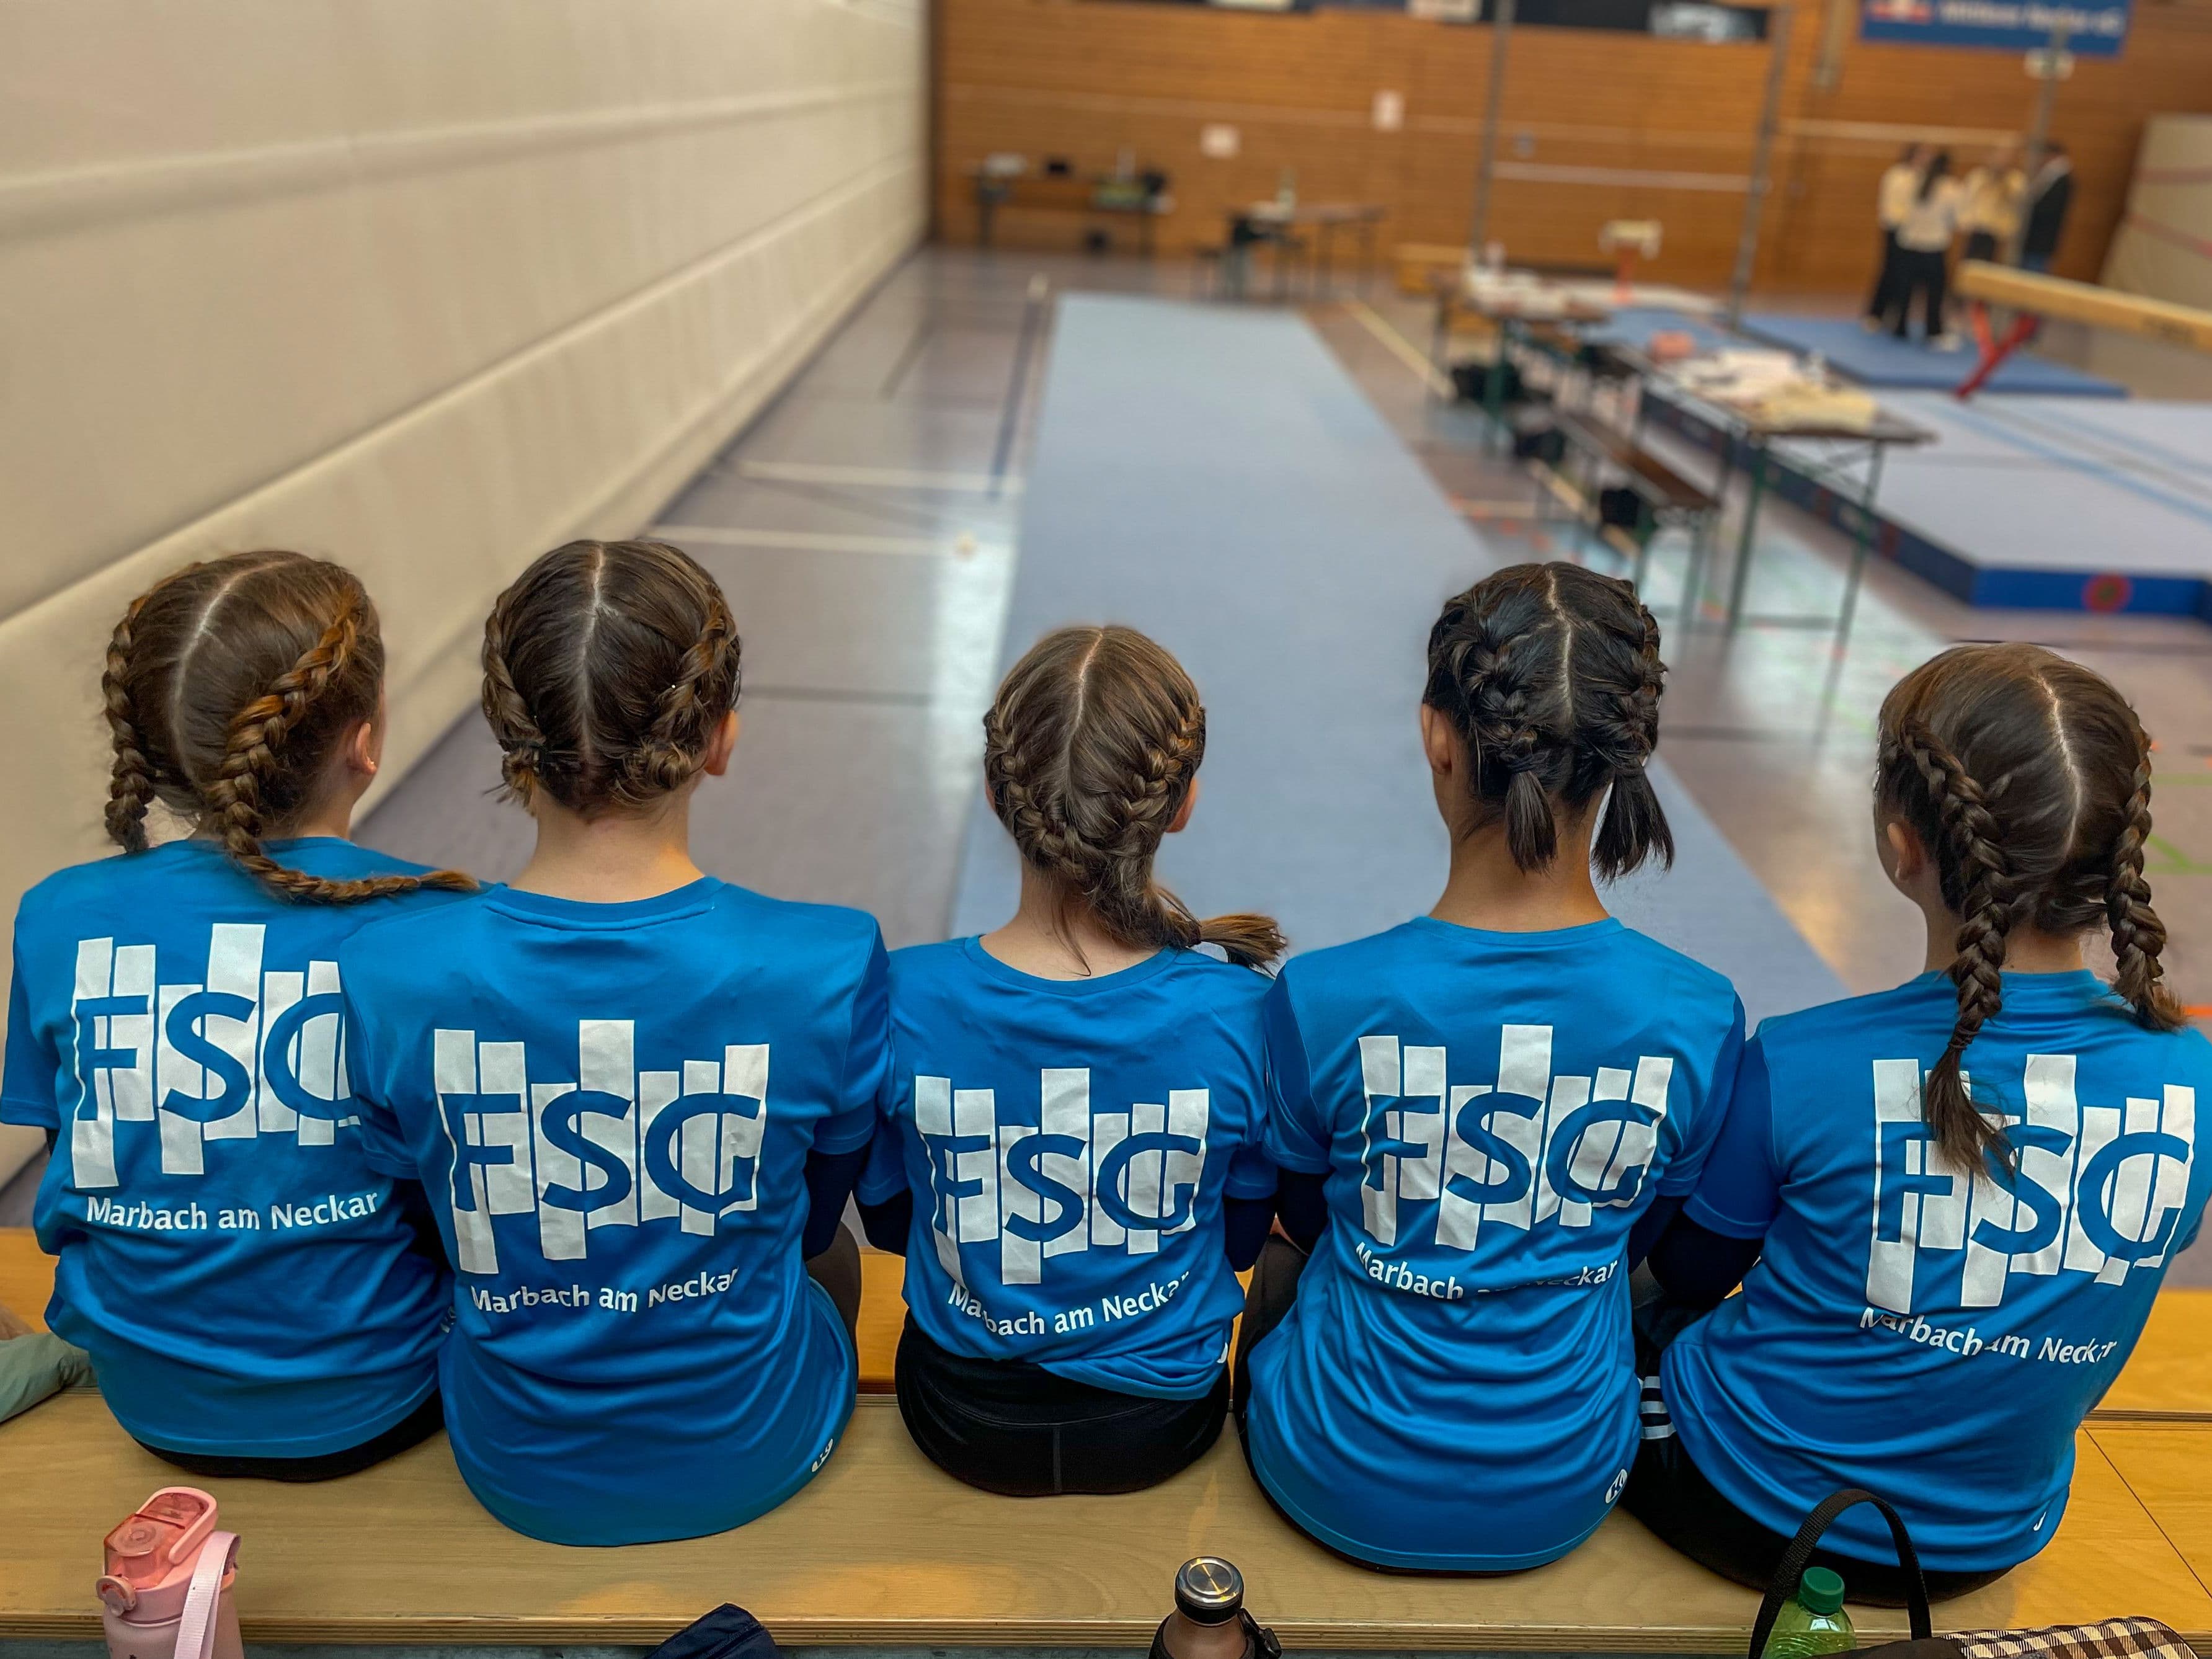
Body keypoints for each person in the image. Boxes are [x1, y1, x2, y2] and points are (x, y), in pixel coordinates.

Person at [1635, 643, 2212, 1603]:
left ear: (1900, 844)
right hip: (1983, 1540)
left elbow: (1687, 1276)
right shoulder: (2193, 1077)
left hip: (1747, 1508)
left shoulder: (1804, 1059)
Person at [339, 540, 888, 1546]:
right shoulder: (828, 960)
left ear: (510, 741)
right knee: (833, 1256)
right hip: (754, 1449)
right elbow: (812, 1220)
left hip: (514, 1465)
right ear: (719, 738)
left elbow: (425, 1214)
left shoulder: (387, 969)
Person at [1235, 564, 1746, 1573]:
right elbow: (1644, 1237)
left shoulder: (1326, 996)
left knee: (1294, 1265)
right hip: (1563, 1487)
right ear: (1626, 753)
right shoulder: (1698, 1014)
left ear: (1436, 733)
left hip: (1330, 1472)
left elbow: (1303, 1214)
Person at [0, 552, 473, 1477]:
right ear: (365, 742)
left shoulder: (59, 912)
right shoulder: (442, 926)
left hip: (152, 1398)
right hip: (378, 1398)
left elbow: (89, 1161)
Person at [857, 625, 1282, 1497]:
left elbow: (894, 1225)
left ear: (991, 789)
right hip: (1157, 1423)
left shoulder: (902, 992)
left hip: (955, 1414)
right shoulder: (1244, 1013)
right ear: (1181, 802)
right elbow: (1239, 1242)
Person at [1886, 149, 1963, 347]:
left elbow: (1900, 208)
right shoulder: (1949, 188)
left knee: (1905, 289)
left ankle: (1900, 326)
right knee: (1934, 293)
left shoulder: (1912, 182)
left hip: (1909, 243)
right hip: (1932, 246)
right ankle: (1933, 331)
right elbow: (1958, 219)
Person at [1863, 143, 1928, 332]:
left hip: (1915, 232)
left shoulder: (1923, 179)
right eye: (1923, 156)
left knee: (1906, 277)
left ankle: (1897, 316)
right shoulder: (1897, 175)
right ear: (1913, 156)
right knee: (1889, 271)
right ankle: (1875, 314)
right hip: (1895, 228)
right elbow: (1891, 205)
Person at [1960, 142, 2025, 265]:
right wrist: (1966, 223)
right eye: (1998, 156)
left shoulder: (2016, 180)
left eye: (2006, 157)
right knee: (1970, 266)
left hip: (2000, 234)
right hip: (1977, 229)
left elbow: (2018, 205)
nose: (2001, 161)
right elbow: (1966, 201)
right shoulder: (1978, 176)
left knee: (1993, 268)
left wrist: (2002, 183)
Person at [2022, 142, 2074, 273]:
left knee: (2032, 273)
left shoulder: (2061, 180)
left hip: (2041, 239)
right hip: (2037, 238)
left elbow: (2049, 209)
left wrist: (2027, 208)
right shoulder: (2050, 177)